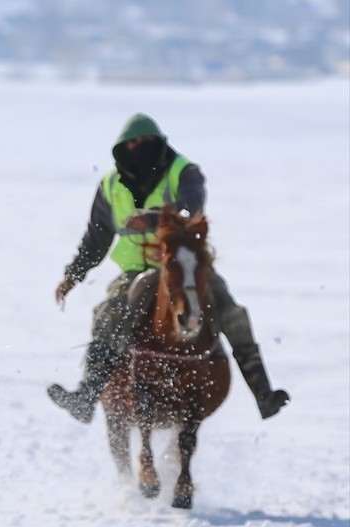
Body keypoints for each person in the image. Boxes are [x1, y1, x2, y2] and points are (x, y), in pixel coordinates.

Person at [47, 112, 290, 424]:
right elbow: (97, 237)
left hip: (185, 264)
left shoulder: (183, 172)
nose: (139, 147)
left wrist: (153, 218)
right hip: (137, 270)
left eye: (145, 142)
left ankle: (262, 393)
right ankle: (87, 394)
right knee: (107, 314)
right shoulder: (110, 185)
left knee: (231, 311)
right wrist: (74, 274)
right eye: (132, 143)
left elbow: (191, 206)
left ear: (159, 144)